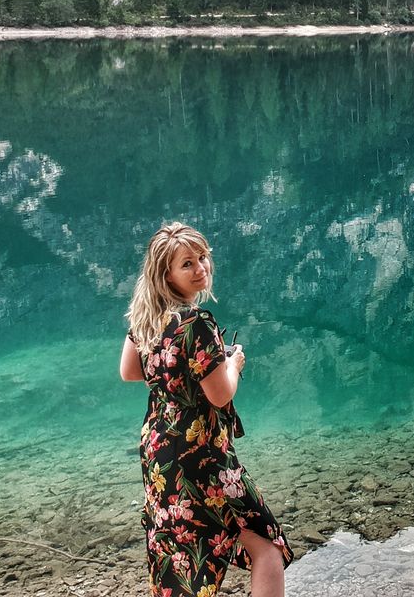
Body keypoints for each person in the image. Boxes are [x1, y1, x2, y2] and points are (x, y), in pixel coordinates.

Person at [121, 222, 293, 597]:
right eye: (187, 263)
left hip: (158, 451)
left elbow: (130, 372)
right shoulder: (196, 322)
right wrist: (232, 364)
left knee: (180, 557)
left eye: (202, 258)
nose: (201, 268)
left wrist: (179, 376)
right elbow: (220, 396)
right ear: (166, 273)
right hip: (201, 455)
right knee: (267, 546)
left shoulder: (145, 318)